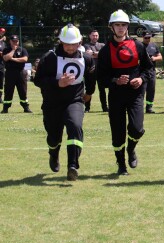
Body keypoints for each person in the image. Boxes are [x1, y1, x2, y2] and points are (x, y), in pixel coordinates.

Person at [34, 24, 95, 181]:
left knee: (75, 127)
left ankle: (72, 165)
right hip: (52, 103)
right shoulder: (49, 57)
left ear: (80, 42)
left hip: (74, 101)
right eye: (67, 43)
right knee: (54, 137)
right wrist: (57, 83)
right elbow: (38, 80)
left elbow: (90, 77)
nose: (70, 47)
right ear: (61, 42)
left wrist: (89, 93)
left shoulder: (86, 58)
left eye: (74, 43)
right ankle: (53, 154)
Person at [97, 9, 154, 175]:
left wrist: (141, 79)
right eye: (117, 25)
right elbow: (101, 78)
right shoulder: (105, 51)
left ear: (128, 27)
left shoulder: (138, 46)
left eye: (123, 25)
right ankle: (121, 164)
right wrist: (115, 80)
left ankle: (131, 149)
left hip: (135, 94)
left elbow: (149, 69)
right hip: (116, 96)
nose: (120, 28)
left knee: (137, 129)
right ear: (111, 27)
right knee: (118, 131)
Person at [1, 35, 32, 113]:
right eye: (13, 41)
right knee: (8, 91)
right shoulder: (6, 49)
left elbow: (25, 59)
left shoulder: (22, 50)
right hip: (10, 73)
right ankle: (5, 108)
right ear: (10, 41)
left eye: (17, 41)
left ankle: (26, 107)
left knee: (23, 91)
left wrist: (12, 59)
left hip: (21, 72)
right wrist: (13, 51)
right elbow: (5, 58)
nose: (15, 43)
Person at [141, 32, 162, 114]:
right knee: (142, 91)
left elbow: (160, 57)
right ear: (143, 37)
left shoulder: (154, 46)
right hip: (142, 71)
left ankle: (149, 108)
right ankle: (139, 107)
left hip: (152, 71)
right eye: (146, 38)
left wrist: (154, 58)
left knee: (151, 90)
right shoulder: (140, 46)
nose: (147, 39)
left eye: (149, 38)